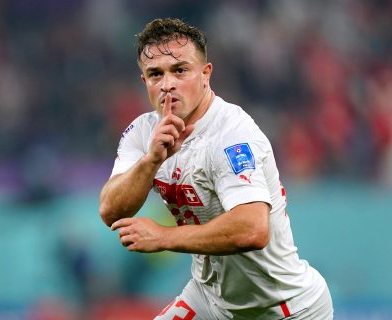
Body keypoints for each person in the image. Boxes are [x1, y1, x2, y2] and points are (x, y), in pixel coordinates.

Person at [99, 18, 333, 320]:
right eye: (155, 74)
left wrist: (164, 237)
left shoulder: (231, 134)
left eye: (180, 70)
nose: (167, 83)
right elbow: (110, 210)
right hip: (210, 300)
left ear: (205, 74)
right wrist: (151, 160)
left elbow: (252, 229)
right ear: (145, 82)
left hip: (283, 308)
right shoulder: (143, 132)